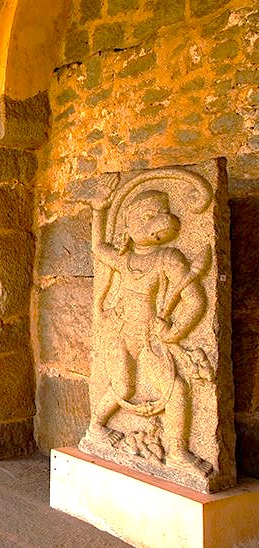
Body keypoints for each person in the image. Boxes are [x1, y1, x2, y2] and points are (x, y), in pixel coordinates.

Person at [85, 187, 213, 477]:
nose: (157, 221)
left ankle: (177, 452)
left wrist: (174, 332)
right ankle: (97, 427)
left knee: (176, 389)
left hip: (150, 339)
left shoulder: (169, 258)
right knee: (122, 388)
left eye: (160, 214)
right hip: (120, 333)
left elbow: (195, 300)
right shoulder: (124, 258)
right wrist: (98, 210)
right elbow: (98, 248)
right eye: (148, 216)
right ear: (128, 227)